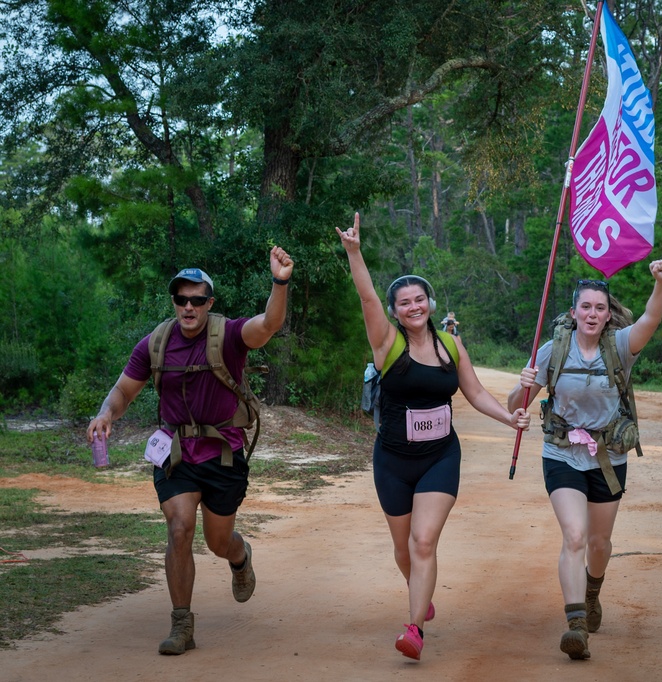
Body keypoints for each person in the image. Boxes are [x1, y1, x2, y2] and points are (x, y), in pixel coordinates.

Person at [336, 213, 530, 662]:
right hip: (392, 459)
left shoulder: (450, 344)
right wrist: (355, 252)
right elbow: (367, 297)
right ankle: (419, 591)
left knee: (424, 542)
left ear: (430, 301)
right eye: (404, 303)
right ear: (395, 312)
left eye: (419, 299)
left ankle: (414, 629)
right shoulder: (386, 343)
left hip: (440, 457)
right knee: (404, 550)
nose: (413, 307)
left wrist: (509, 418)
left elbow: (475, 391)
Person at [86, 247, 294, 655]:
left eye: (197, 299)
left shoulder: (229, 335)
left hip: (223, 454)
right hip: (176, 453)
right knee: (179, 527)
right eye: (181, 299)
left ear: (209, 303)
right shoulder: (156, 343)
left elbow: (269, 324)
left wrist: (280, 281)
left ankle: (240, 556)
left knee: (219, 542)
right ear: (174, 302)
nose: (188, 306)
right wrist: (106, 414)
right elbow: (124, 389)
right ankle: (182, 624)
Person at [507, 260, 662, 661]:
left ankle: (592, 591)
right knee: (575, 536)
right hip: (561, 453)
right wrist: (522, 385)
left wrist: (661, 283)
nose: (593, 314)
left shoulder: (621, 347)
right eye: (586, 307)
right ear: (574, 311)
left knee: (599, 543)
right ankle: (576, 624)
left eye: (600, 308)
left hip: (609, 456)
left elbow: (651, 317)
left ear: (608, 313)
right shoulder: (553, 350)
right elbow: (516, 407)